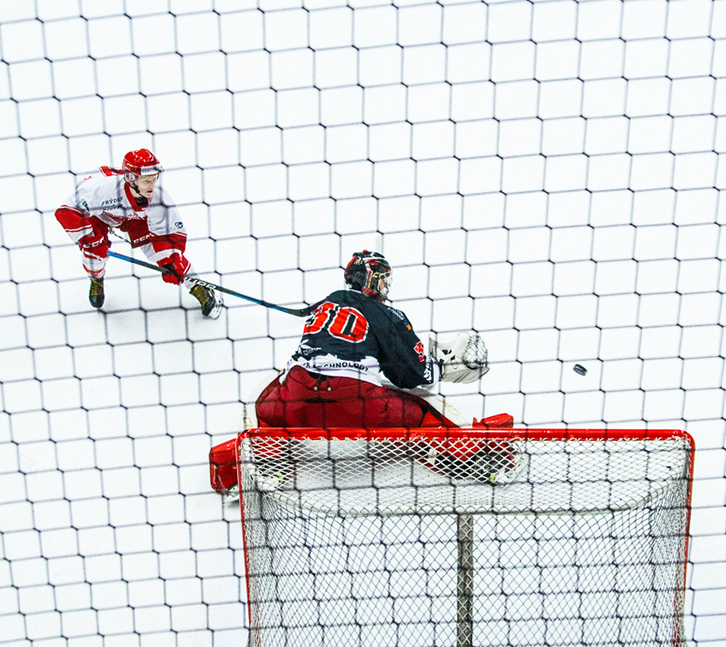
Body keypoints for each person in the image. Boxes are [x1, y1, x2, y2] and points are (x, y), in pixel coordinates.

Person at [254, 250, 489, 435]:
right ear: (372, 280)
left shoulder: (326, 306)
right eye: (383, 280)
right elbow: (410, 375)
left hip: (297, 402)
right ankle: (468, 455)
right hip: (357, 403)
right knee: (419, 409)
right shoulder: (384, 313)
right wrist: (438, 369)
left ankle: (269, 462)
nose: (386, 286)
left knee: (265, 405)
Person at [54, 147, 221, 315]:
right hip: (98, 215)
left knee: (167, 256)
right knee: (93, 255)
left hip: (134, 218)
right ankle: (96, 278)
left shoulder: (158, 198)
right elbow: (66, 212)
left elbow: (167, 234)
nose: (152, 185)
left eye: (154, 179)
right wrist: (89, 240)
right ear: (131, 179)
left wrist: (171, 261)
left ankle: (198, 286)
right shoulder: (100, 190)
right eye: (146, 181)